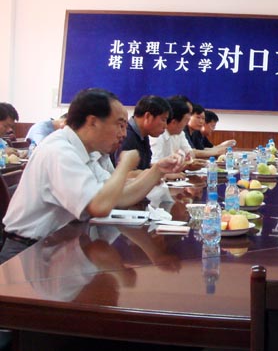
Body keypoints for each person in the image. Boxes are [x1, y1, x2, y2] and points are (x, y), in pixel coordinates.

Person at [0, 88, 185, 264]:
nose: (123, 134)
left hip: (56, 246)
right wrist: (125, 165)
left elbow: (117, 197)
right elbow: (99, 206)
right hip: (26, 250)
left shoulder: (88, 152)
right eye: (119, 125)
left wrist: (158, 170)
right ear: (93, 122)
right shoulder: (60, 151)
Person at [114, 95, 171, 171]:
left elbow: (144, 167)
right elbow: (125, 173)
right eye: (163, 120)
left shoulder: (143, 136)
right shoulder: (127, 136)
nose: (165, 126)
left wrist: (165, 171)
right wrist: (160, 173)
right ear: (148, 116)